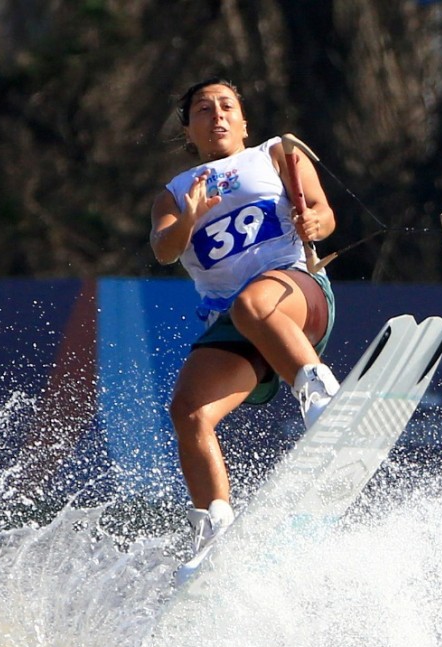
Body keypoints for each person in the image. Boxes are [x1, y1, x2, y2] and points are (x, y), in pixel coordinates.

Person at [149, 77, 339, 557]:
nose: (216, 116)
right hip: (238, 323)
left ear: (243, 120)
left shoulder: (276, 154)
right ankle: (214, 532)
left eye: (226, 106)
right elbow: (165, 250)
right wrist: (190, 218)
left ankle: (319, 393)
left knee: (253, 304)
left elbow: (323, 212)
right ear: (187, 130)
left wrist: (315, 222)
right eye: (202, 110)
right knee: (188, 412)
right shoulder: (173, 195)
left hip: (295, 293)